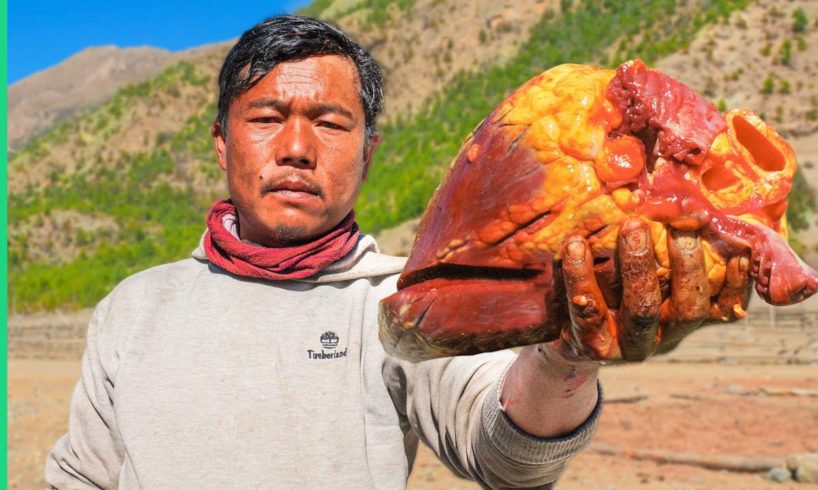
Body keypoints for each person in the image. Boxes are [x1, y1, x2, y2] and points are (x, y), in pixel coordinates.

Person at [46, 15, 749, 489]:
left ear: (369, 152)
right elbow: (82, 476)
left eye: (330, 122)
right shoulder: (135, 307)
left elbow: (506, 456)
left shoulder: (405, 305)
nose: (295, 148)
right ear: (222, 142)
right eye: (265, 119)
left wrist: (565, 356)